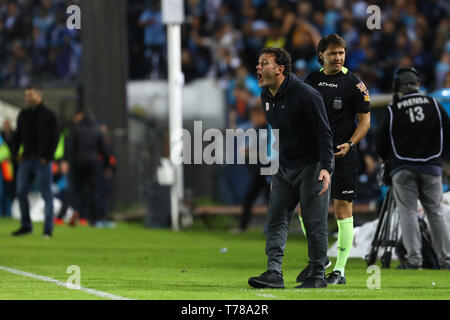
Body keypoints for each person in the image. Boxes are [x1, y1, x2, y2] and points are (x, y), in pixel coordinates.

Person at [248, 47, 334, 289]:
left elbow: (324, 133)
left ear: (279, 70)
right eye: (258, 62)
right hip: (285, 166)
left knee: (313, 220)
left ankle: (318, 275)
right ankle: (274, 273)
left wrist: (326, 168)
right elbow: (278, 136)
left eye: (264, 63)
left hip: (313, 164)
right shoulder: (266, 96)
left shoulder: (307, 95)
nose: (258, 67)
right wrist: (277, 169)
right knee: (276, 218)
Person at [297, 33, 371, 285]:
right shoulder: (311, 80)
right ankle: (321, 258)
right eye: (332, 53)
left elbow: (365, 121)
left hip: (343, 154)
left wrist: (350, 144)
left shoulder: (354, 84)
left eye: (341, 53)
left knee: (342, 210)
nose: (338, 57)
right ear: (322, 55)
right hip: (317, 156)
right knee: (304, 209)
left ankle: (339, 270)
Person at [376, 66, 450, 270]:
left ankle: (414, 260)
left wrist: (388, 161)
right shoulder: (434, 104)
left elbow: (381, 141)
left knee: (408, 213)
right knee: (435, 213)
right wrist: (440, 159)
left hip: (403, 168)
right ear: (417, 83)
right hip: (432, 168)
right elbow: (448, 132)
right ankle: (446, 260)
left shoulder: (394, 109)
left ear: (398, 86)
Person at [11, 85, 59, 238]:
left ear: (39, 95)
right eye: (26, 95)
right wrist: (15, 153)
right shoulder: (23, 114)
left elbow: (55, 137)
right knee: (20, 192)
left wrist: (48, 156)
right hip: (26, 159)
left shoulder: (49, 115)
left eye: (30, 94)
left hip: (42, 161)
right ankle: (26, 226)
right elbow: (17, 136)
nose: (27, 98)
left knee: (46, 194)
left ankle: (48, 229)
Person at [67, 109, 110, 226]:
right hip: (93, 163)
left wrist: (70, 162)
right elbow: (104, 149)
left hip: (79, 163)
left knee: (78, 191)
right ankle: (94, 218)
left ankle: (79, 215)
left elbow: (71, 147)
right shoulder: (97, 130)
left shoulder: (77, 129)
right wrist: (107, 165)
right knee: (93, 191)